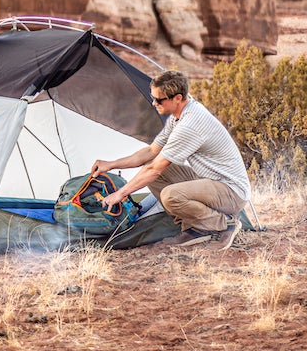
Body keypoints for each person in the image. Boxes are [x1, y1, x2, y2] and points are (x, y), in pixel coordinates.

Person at [92, 70, 250, 250]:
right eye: (153, 98)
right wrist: (111, 164)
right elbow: (151, 152)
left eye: (159, 100)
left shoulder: (190, 125)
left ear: (177, 98)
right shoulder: (180, 116)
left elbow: (155, 169)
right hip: (214, 182)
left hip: (231, 192)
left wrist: (120, 194)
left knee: (169, 194)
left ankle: (224, 224)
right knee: (154, 169)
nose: (153, 103)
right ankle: (193, 225)